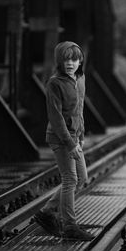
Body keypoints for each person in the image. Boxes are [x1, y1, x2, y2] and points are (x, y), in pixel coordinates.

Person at [34, 41, 93, 240]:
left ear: (80, 61)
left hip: (75, 137)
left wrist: (81, 136)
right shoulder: (55, 83)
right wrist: (70, 143)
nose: (70, 63)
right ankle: (70, 226)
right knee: (70, 179)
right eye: (66, 59)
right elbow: (56, 116)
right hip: (60, 138)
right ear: (60, 61)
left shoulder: (80, 78)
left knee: (82, 178)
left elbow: (80, 110)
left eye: (74, 59)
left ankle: (46, 213)